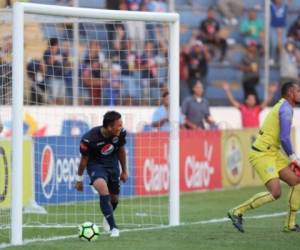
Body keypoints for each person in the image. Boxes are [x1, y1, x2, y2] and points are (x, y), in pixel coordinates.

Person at [227, 81, 300, 233]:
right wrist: (294, 158)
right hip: (262, 153)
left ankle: (290, 224)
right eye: (298, 91)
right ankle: (237, 211)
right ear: (291, 93)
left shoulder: (285, 107)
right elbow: (285, 138)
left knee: (297, 182)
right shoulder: (285, 109)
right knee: (276, 192)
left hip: (273, 152)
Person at [75, 111, 128, 237]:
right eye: (119, 125)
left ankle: (107, 216)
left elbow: (121, 151)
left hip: (113, 167)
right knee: (103, 189)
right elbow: (84, 160)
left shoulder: (121, 134)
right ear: (109, 127)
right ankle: (113, 227)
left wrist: (125, 170)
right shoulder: (89, 138)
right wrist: (79, 179)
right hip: (96, 166)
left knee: (114, 199)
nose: (121, 127)